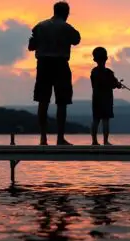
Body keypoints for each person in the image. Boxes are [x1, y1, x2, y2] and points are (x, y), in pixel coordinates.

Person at [28, 1, 81, 145]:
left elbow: (31, 46)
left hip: (43, 64)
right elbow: (77, 40)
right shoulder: (66, 27)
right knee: (62, 102)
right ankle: (60, 138)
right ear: (66, 13)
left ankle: (43, 138)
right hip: (60, 65)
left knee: (43, 101)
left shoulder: (40, 26)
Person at [90, 47, 122, 145]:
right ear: (106, 58)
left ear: (94, 59)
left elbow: (94, 85)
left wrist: (115, 84)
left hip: (96, 99)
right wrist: (117, 84)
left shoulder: (94, 72)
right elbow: (113, 85)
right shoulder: (109, 73)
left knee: (96, 120)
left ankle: (94, 141)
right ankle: (105, 141)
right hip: (107, 100)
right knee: (105, 120)